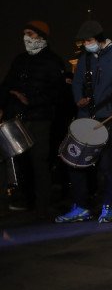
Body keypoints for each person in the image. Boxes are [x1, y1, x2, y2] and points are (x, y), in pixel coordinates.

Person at [55, 20, 112, 224]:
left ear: (100, 39)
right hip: (85, 116)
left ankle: (108, 205)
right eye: (84, 41)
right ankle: (80, 207)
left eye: (89, 40)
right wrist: (78, 98)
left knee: (107, 164)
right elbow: (77, 82)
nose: (86, 44)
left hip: (108, 116)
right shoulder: (84, 57)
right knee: (75, 161)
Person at [0, 21, 66, 219]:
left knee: (39, 161)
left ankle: (42, 205)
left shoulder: (53, 61)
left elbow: (57, 93)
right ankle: (23, 199)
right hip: (17, 117)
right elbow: (7, 85)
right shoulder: (20, 60)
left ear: (40, 36)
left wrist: (30, 101)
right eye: (24, 33)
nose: (25, 37)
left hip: (39, 119)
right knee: (17, 162)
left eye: (30, 33)